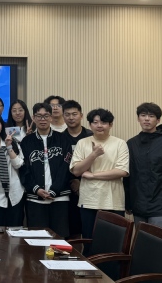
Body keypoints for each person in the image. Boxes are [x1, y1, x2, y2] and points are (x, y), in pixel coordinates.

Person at [70, 108, 129, 255]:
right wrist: (94, 154)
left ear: (110, 125)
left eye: (103, 122)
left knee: (113, 247)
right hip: (89, 201)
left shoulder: (120, 143)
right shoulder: (82, 143)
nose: (99, 125)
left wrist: (93, 175)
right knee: (89, 245)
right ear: (90, 125)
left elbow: (122, 171)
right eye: (95, 122)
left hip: (113, 201)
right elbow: (76, 171)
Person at [125, 102, 162, 232]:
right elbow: (128, 175)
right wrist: (128, 202)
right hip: (138, 206)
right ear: (138, 118)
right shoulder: (131, 143)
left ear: (158, 120)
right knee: (141, 242)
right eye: (143, 115)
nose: (147, 119)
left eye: (151, 116)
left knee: (160, 243)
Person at [21, 103, 73, 238]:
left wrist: (55, 189)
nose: (42, 119)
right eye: (39, 116)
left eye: (46, 116)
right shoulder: (26, 142)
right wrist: (36, 189)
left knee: (59, 239)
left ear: (51, 117)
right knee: (37, 239)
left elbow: (66, 167)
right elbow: (24, 169)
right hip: (35, 199)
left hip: (60, 198)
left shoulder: (63, 139)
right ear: (33, 118)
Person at [62, 100, 93, 238]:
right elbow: (59, 165)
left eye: (74, 114)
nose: (71, 117)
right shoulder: (60, 138)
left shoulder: (91, 136)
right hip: (67, 190)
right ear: (63, 117)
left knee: (90, 231)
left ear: (81, 115)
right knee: (71, 231)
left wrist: (82, 181)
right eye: (67, 114)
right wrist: (72, 181)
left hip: (90, 187)